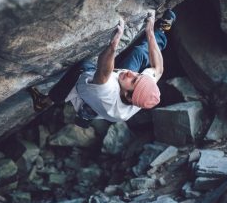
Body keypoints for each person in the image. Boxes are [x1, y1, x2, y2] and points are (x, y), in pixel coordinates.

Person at [28, 10, 176, 126]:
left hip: (92, 91)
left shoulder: (107, 91)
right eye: (138, 76)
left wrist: (114, 43)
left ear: (127, 96)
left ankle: (46, 102)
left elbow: (104, 71)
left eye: (133, 81)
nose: (131, 73)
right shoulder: (143, 93)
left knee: (83, 67)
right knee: (139, 53)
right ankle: (162, 31)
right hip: (107, 106)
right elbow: (159, 69)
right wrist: (150, 32)